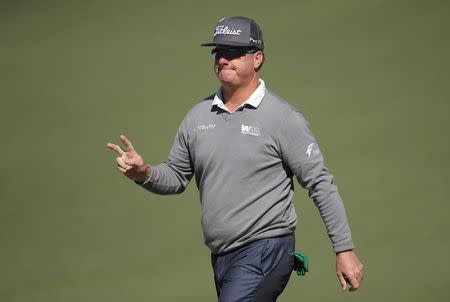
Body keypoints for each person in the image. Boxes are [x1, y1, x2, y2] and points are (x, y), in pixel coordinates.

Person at [107, 16, 363, 302]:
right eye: (218, 52)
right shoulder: (198, 116)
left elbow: (320, 183)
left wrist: (344, 249)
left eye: (233, 52)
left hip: (266, 249)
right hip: (222, 257)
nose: (223, 59)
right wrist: (144, 173)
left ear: (257, 58)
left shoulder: (282, 118)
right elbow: (177, 177)